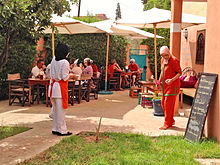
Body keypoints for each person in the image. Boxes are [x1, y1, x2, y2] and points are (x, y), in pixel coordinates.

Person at [49, 43, 72, 136]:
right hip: (60, 88)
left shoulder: (53, 59)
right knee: (61, 110)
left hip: (53, 86)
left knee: (55, 109)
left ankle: (55, 128)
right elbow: (64, 77)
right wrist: (71, 75)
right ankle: (62, 130)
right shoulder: (65, 62)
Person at [158, 46, 182, 130]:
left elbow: (179, 73)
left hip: (172, 86)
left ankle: (167, 123)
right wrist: (159, 81)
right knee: (162, 103)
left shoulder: (174, 60)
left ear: (168, 52)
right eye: (162, 55)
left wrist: (172, 80)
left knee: (168, 104)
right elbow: (162, 71)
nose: (165, 57)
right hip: (165, 86)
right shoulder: (163, 60)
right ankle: (171, 120)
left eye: (166, 55)